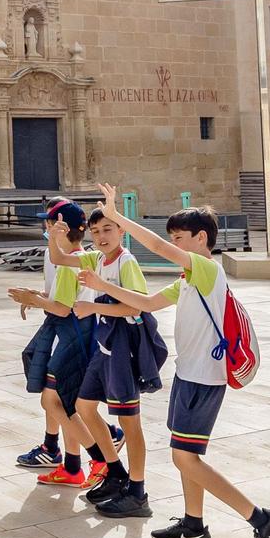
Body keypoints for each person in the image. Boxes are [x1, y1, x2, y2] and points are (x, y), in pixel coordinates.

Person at [90, 187, 270, 538]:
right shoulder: (187, 281)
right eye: (174, 237)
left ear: (201, 239)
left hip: (204, 379)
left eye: (180, 237)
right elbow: (144, 304)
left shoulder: (208, 270)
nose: (174, 244)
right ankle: (194, 526)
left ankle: (262, 520)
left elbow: (159, 250)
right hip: (187, 374)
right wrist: (101, 290)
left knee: (185, 457)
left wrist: (120, 217)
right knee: (188, 457)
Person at [74, 207, 162, 518]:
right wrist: (57, 236)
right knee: (84, 407)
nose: (100, 236)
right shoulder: (98, 258)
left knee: (130, 423)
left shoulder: (127, 261)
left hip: (123, 351)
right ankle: (115, 472)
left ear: (121, 231)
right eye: (95, 231)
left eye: (107, 229)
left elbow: (135, 307)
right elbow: (62, 259)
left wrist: (91, 303)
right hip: (105, 347)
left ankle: (138, 492)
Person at [8, 202, 94, 484]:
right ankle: (72, 466)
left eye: (50, 223)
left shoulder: (72, 262)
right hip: (66, 331)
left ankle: (103, 457)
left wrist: (33, 300)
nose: (45, 227)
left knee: (56, 401)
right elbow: (55, 296)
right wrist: (35, 296)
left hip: (71, 334)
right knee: (60, 400)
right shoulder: (62, 257)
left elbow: (62, 307)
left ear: (63, 228)